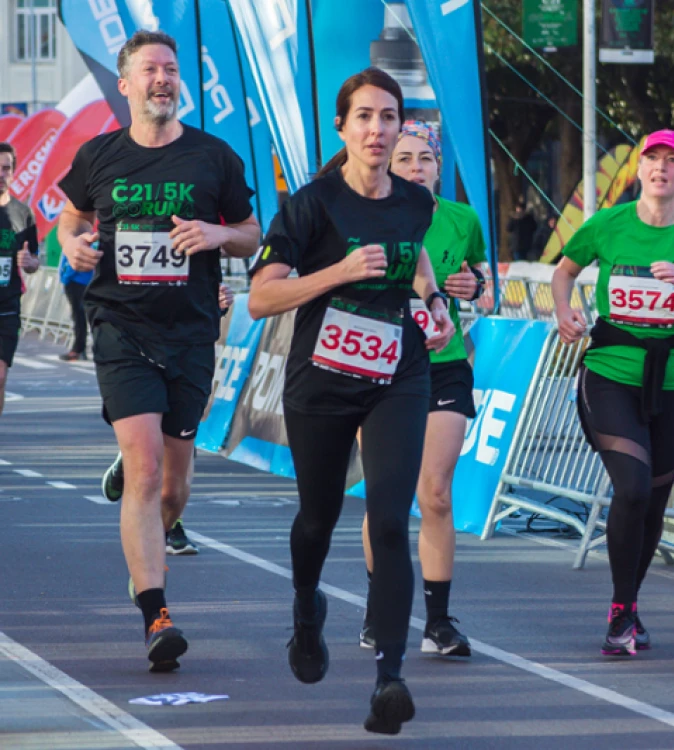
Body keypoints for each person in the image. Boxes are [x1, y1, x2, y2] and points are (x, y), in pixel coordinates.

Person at [248, 68, 454, 735]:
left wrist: (434, 301)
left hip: (399, 372)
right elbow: (260, 297)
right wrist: (336, 271)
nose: (376, 129)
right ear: (343, 127)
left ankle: (389, 678)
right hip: (323, 379)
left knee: (391, 518)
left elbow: (415, 257)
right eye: (363, 117)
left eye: (388, 117)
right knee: (319, 516)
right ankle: (307, 607)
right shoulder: (311, 205)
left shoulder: (417, 200)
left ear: (400, 127)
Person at [58, 30, 259, 673]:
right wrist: (72, 245)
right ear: (126, 84)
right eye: (150, 70)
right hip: (122, 327)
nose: (163, 79)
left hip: (192, 333)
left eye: (171, 69)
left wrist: (217, 232)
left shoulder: (213, 157)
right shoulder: (99, 155)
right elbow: (68, 216)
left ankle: (145, 525)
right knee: (145, 471)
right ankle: (156, 613)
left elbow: (252, 236)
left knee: (173, 487)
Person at [552, 129, 674, 656]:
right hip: (610, 371)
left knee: (654, 500)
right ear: (639, 168)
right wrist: (563, 309)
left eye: (672, 160)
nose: (661, 168)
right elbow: (564, 271)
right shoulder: (608, 224)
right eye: (652, 158)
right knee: (632, 488)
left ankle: (628, 607)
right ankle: (619, 611)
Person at [358, 121, 485, 658]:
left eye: (424, 160)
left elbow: (480, 276)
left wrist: (473, 284)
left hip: (443, 362)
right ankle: (378, 608)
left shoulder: (461, 218)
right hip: (380, 362)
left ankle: (437, 621)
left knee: (434, 491)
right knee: (386, 495)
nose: (415, 168)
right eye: (404, 159)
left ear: (439, 167)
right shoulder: (369, 213)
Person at [103, 281, 236, 563]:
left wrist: (217, 300)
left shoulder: (201, 240)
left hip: (189, 349)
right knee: (154, 450)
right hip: (135, 346)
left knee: (179, 451)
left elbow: (209, 282)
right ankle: (161, 538)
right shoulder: (130, 237)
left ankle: (170, 518)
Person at [0, 142, 39, 414]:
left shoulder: (23, 214)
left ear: (13, 172)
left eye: (6, 168)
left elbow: (34, 261)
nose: (1, 174)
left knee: (0, 378)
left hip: (7, 306)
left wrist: (30, 262)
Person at [58, 254, 92, 361]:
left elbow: (73, 261)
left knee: (78, 317)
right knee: (79, 316)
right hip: (83, 281)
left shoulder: (79, 238)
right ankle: (80, 349)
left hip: (76, 281)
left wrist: (65, 278)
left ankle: (78, 349)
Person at [506, 196, 537, 261]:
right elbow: (534, 227)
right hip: (523, 244)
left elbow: (508, 228)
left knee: (520, 262)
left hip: (519, 245)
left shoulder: (515, 218)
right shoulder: (528, 218)